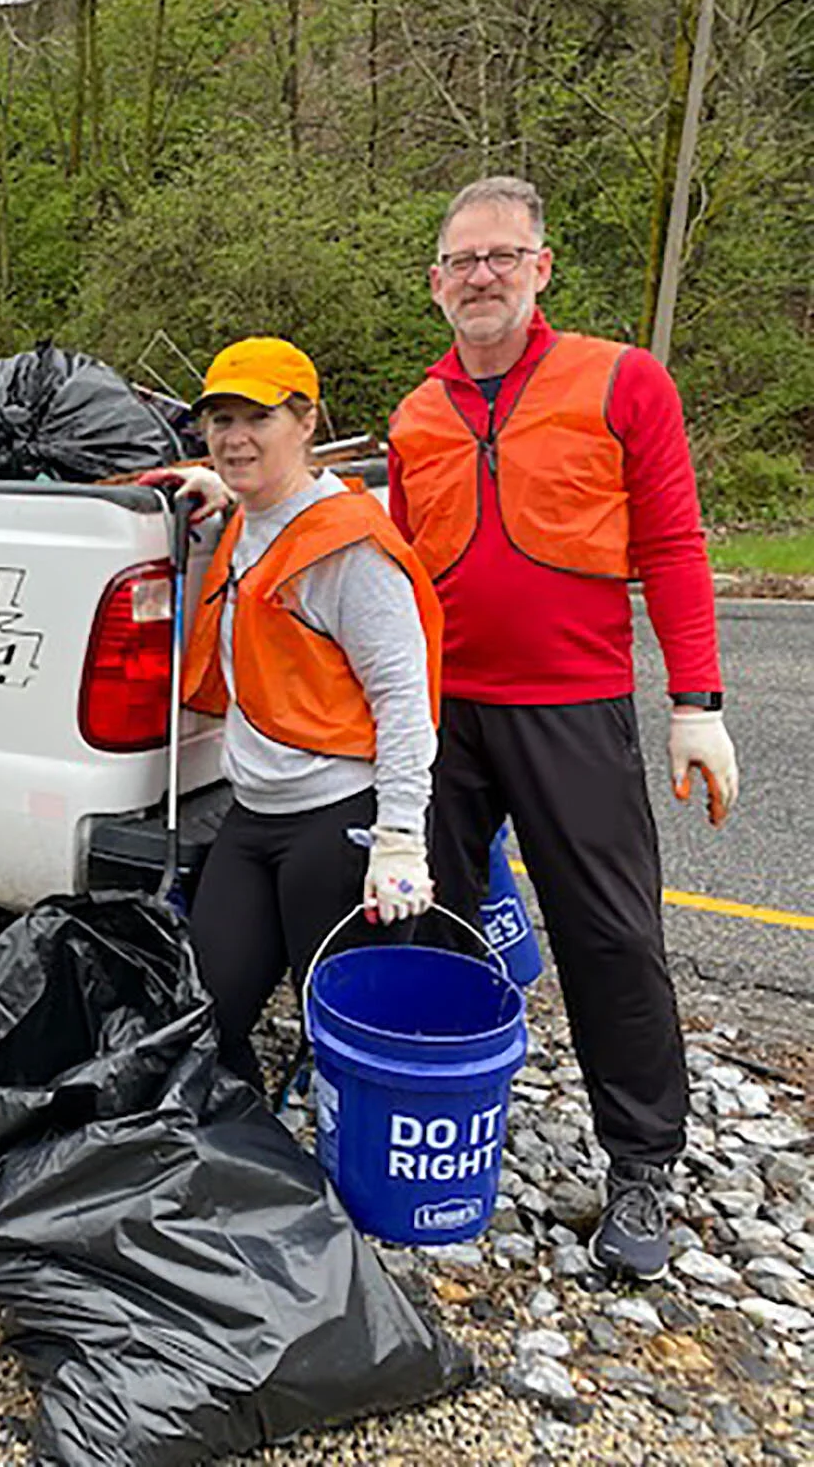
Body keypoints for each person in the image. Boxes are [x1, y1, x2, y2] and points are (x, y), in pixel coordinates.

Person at [388, 176, 738, 1282]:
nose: (479, 275)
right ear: (434, 284)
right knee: (425, 917)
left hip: (571, 708)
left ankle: (638, 1160)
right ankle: (428, 1119)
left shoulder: (620, 381)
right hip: (443, 715)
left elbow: (673, 545)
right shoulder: (412, 415)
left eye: (501, 256)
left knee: (610, 936)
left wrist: (697, 704)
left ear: (539, 268)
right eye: (460, 260)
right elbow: (386, 572)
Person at [180, 337, 443, 1091]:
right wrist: (216, 484)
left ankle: (350, 1177)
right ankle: (253, 1158)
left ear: (307, 421)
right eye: (219, 420)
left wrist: (398, 840)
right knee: (208, 1013)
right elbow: (267, 509)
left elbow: (403, 701)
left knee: (341, 1028)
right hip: (253, 814)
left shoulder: (350, 552)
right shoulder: (252, 518)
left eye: (256, 418)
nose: (234, 438)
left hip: (335, 821)